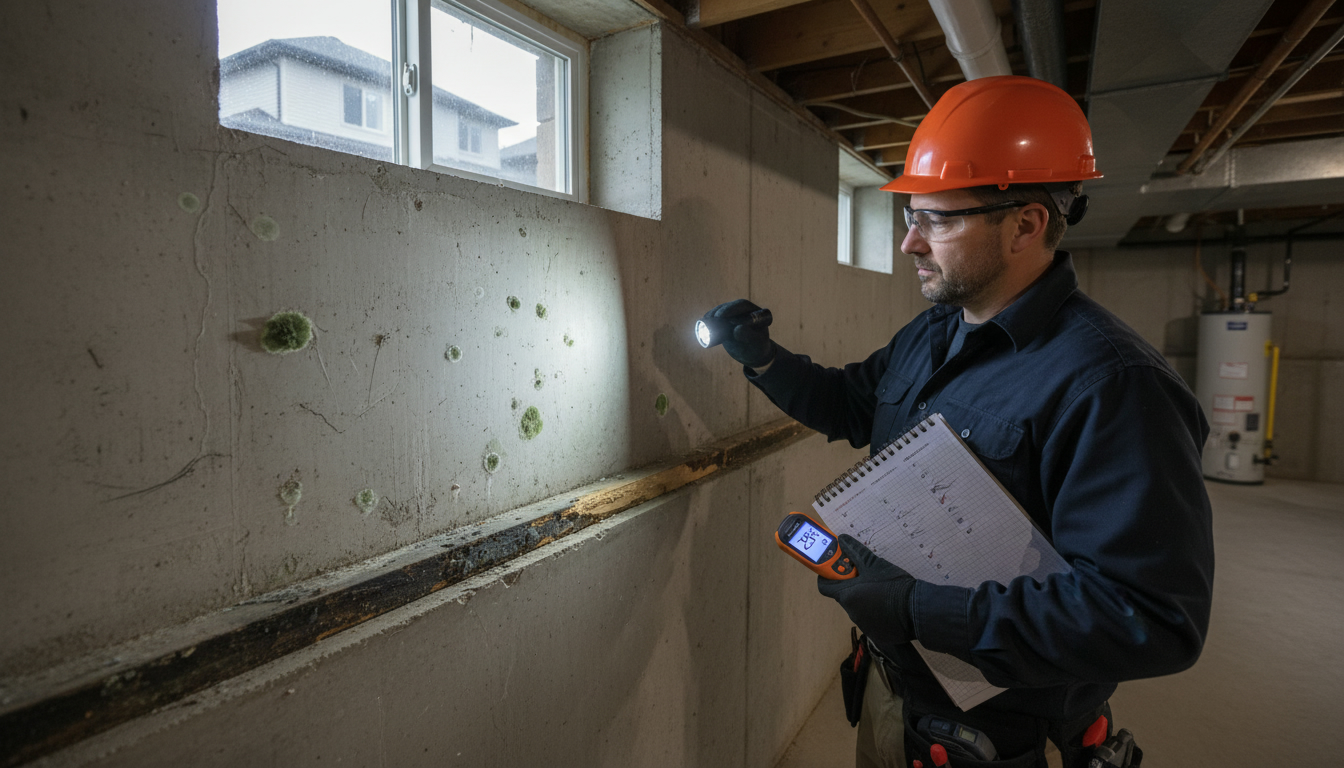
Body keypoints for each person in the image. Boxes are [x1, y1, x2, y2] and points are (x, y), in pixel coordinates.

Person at [705, 76, 1213, 768]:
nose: (910, 243)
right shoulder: (934, 332)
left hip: (1002, 738)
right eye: (908, 216)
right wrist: (762, 360)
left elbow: (1151, 618)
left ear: (1026, 225)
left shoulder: (1114, 386)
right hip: (896, 695)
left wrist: (917, 610)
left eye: (937, 220)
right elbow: (851, 404)